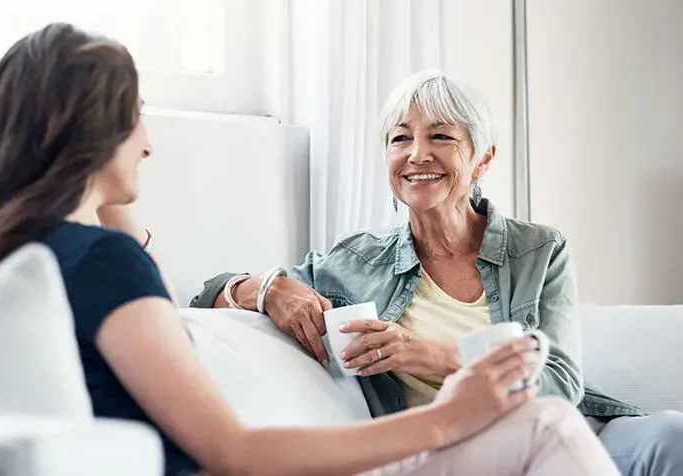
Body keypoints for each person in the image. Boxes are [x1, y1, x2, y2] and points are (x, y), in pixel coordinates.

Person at [0, 24, 618, 476]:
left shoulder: (8, 256)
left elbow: (156, 294)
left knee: (575, 420)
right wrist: (446, 418)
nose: (150, 142)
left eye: (441, 138)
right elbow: (232, 446)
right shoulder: (101, 265)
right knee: (550, 428)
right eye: (137, 115)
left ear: (482, 158)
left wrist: (105, 192)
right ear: (93, 130)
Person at [191, 70, 683, 476]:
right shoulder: (357, 262)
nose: (417, 154)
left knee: (668, 435)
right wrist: (271, 289)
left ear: (482, 159)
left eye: (441, 136)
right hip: (459, 449)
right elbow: (207, 295)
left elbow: (558, 384)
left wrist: (426, 353)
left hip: (568, 424)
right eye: (400, 138)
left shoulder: (539, 250)